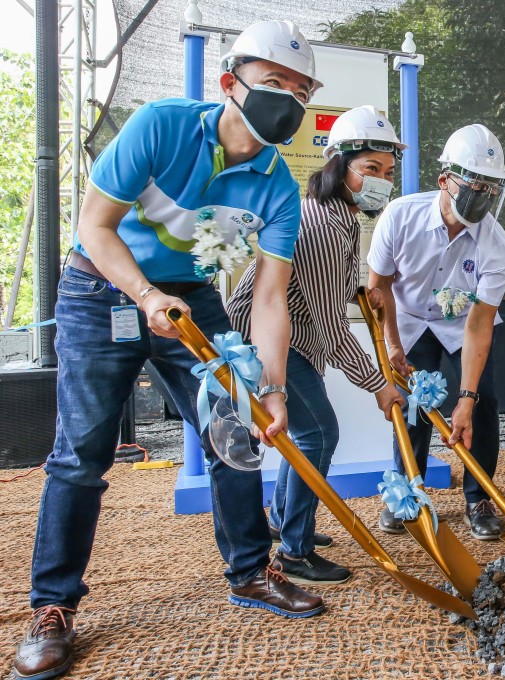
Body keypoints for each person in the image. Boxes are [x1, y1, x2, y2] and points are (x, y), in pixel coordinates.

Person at [12, 20, 327, 680]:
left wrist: (270, 389)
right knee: (82, 453)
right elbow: (94, 226)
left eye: (302, 91)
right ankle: (52, 606)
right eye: (275, 82)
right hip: (101, 288)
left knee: (235, 431)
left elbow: (271, 298)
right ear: (229, 83)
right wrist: (145, 295)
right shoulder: (161, 125)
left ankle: (250, 571)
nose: (289, 100)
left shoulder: (278, 186)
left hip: (193, 296)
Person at [227, 106, 405, 584]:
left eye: (389, 172)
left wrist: (359, 291)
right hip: (264, 339)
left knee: (306, 434)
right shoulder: (323, 225)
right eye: (370, 168)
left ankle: (285, 522)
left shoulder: (342, 218)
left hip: (296, 338)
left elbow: (326, 289)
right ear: (338, 166)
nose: (381, 181)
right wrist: (379, 385)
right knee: (319, 433)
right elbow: (331, 328)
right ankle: (294, 551)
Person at [366, 124, 505, 541]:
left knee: (482, 404)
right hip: (409, 320)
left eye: (491, 187)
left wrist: (465, 398)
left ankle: (479, 498)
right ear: (445, 179)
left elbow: (480, 321)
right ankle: (406, 493)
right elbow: (379, 287)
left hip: (463, 324)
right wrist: (392, 344)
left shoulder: (497, 244)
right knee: (412, 407)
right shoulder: (400, 216)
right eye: (474, 183)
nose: (482, 194)